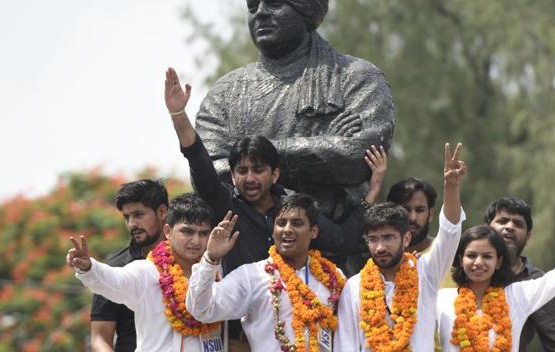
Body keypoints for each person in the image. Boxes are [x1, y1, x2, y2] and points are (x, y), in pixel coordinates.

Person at [165, 67, 386, 276]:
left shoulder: (295, 208)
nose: (249, 178)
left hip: (292, 310)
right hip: (240, 312)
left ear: (275, 174)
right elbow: (198, 159)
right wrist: (178, 113)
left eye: (258, 170)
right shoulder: (226, 207)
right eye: (242, 171)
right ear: (233, 176)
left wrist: (373, 191)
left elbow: (341, 240)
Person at [194, 0, 394, 222]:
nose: (260, 13)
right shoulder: (224, 92)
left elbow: (359, 157)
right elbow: (208, 174)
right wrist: (325, 143)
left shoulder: (358, 78)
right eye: (252, 6)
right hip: (249, 243)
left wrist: (252, 158)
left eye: (274, 3)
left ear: (306, 9)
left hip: (337, 244)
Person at [334, 143, 467, 351]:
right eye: (373, 239)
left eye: (388, 238)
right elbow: (346, 345)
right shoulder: (353, 287)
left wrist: (451, 187)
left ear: (406, 239)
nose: (380, 247)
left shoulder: (426, 273)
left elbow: (450, 231)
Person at [436, 193, 555, 352]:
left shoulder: (518, 295)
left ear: (498, 261)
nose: (478, 262)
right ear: (460, 259)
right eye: (471, 255)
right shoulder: (441, 300)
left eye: (487, 256)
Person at [187, 193, 347, 351]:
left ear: (314, 231)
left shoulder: (333, 277)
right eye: (281, 223)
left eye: (297, 223)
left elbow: (347, 336)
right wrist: (210, 259)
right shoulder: (252, 276)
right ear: (273, 230)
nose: (287, 229)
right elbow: (202, 310)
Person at [68, 193, 226, 352]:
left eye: (203, 233)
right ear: (168, 232)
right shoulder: (146, 272)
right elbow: (114, 280)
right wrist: (89, 267)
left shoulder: (217, 273)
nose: (196, 241)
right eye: (187, 232)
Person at [484, 197, 555, 351]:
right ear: (486, 229)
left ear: (527, 237)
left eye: (518, 224)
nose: (509, 227)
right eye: (502, 221)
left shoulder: (536, 282)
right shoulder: (467, 269)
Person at [90, 179, 168, 352]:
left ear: (162, 211)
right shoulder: (116, 267)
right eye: (127, 217)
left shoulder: (187, 258)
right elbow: (100, 338)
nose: (132, 224)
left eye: (138, 214)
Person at [386, 177, 437, 253]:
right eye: (406, 210)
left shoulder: (444, 252)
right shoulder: (380, 254)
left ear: (430, 214)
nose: (413, 218)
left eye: (420, 210)